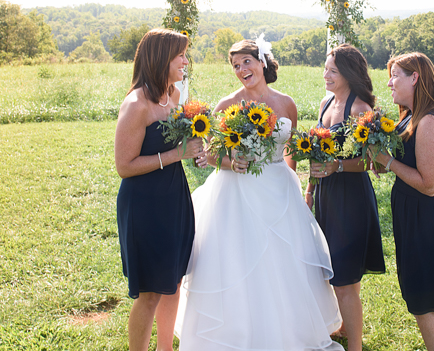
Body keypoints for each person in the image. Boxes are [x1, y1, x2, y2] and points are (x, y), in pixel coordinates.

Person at [175, 38, 343, 351]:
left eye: (246, 62)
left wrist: (296, 184)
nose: (241, 70)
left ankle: (286, 335)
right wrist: (231, 161)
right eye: (235, 66)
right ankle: (236, 336)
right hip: (236, 194)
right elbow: (211, 155)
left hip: (280, 191)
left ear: (262, 62)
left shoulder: (286, 103)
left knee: (283, 263)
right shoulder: (228, 105)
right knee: (239, 261)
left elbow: (290, 149)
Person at [114, 28, 208, 351]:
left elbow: (180, 145)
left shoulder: (175, 96)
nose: (185, 60)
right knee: (150, 292)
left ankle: (166, 348)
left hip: (174, 199)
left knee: (173, 282)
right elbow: (124, 166)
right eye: (180, 55)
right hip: (144, 206)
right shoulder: (135, 105)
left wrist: (196, 152)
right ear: (160, 58)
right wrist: (175, 155)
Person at [371, 52, 434, 351]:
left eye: (395, 75)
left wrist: (387, 162)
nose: (389, 82)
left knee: (424, 300)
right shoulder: (411, 117)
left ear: (415, 77)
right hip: (418, 216)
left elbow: (430, 185)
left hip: (428, 220)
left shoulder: (429, 122)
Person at [305, 44, 386, 351]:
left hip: (351, 198)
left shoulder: (360, 109)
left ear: (349, 74)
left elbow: (377, 162)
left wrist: (337, 166)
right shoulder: (326, 103)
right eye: (325, 68)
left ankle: (355, 345)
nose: (326, 75)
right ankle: (339, 326)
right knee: (331, 269)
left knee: (345, 278)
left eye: (333, 71)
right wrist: (311, 190)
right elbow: (316, 154)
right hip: (326, 195)